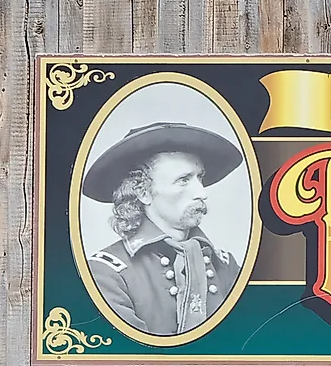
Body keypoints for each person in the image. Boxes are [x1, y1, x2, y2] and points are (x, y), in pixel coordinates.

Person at [80, 119, 246, 336]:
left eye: (200, 178)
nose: (202, 193)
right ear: (143, 193)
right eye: (183, 180)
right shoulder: (106, 273)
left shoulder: (225, 265)